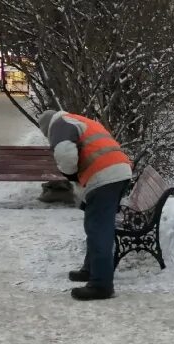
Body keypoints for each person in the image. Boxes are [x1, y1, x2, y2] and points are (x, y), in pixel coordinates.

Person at [38, 110, 132, 301]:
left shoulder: (58, 124)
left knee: (99, 229)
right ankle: (90, 269)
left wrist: (70, 174)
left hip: (105, 174)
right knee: (95, 225)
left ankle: (101, 285)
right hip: (118, 170)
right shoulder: (77, 120)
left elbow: (65, 154)